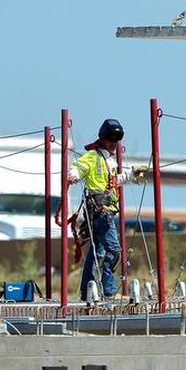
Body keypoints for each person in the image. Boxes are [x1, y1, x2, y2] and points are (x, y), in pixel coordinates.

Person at [67, 119, 146, 301]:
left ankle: (86, 292)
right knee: (113, 251)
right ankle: (109, 291)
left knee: (98, 252)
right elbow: (78, 168)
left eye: (115, 141)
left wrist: (131, 174)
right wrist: (73, 176)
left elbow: (113, 181)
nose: (113, 144)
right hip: (100, 211)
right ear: (102, 139)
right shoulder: (93, 157)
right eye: (110, 140)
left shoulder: (107, 161)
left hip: (107, 210)